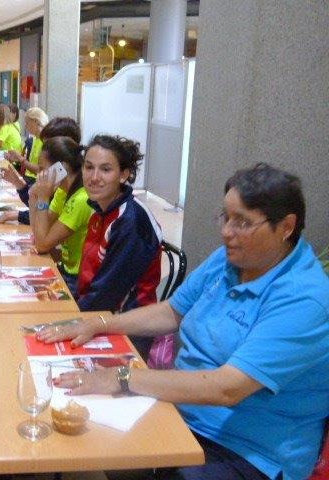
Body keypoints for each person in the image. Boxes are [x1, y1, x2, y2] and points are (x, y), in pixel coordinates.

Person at [38, 162, 329, 480]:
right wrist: (99, 324)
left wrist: (122, 377)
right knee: (71, 430)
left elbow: (227, 389)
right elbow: (171, 312)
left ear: (286, 227)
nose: (227, 232)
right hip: (184, 411)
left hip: (246, 451)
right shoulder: (230, 259)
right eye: (226, 217)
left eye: (243, 222)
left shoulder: (304, 299)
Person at [73, 135, 162, 358]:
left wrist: (69, 318)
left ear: (123, 175)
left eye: (105, 169)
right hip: (97, 315)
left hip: (127, 327)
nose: (94, 177)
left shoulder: (130, 221)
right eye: (89, 167)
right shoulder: (101, 209)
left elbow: (107, 292)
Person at [28, 136, 94, 296]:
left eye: (43, 169)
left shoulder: (81, 199)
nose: (39, 174)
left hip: (78, 280)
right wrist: (33, 196)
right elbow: (38, 232)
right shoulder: (63, 191)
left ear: (61, 168)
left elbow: (42, 244)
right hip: (65, 268)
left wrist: (43, 198)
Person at [0, 117, 83, 225]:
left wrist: (18, 213)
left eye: (50, 147)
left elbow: (44, 225)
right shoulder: (61, 190)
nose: (46, 151)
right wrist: (20, 185)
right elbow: (41, 217)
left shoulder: (79, 194)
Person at [5, 107, 49, 180]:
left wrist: (21, 159)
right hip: (28, 177)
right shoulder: (34, 139)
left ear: (35, 121)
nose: (25, 126)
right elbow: (30, 163)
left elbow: (40, 170)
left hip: (35, 180)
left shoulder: (46, 141)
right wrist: (16, 159)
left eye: (27, 123)